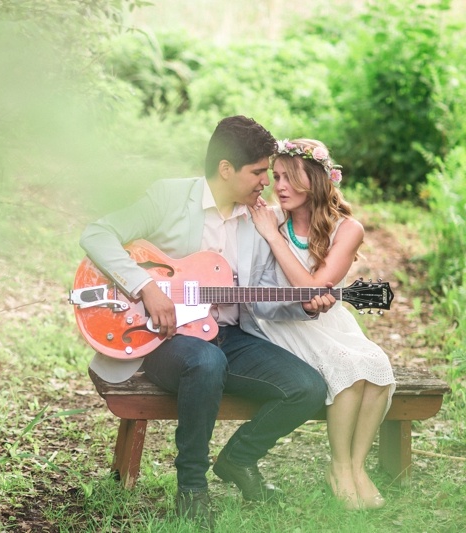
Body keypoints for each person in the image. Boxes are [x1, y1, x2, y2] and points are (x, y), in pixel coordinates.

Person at [80, 116, 334, 528]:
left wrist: (303, 306)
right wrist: (146, 287)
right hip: (163, 338)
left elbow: (262, 298)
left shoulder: (259, 219)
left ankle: (238, 459)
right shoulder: (169, 197)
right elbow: (97, 234)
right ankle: (192, 488)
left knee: (307, 387)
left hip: (230, 336)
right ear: (226, 169)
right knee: (205, 361)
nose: (266, 183)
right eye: (258, 172)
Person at [248, 138, 396, 510]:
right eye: (276, 177)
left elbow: (314, 289)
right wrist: (272, 232)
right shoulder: (269, 219)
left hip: (329, 321)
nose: (279, 186)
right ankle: (339, 467)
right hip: (280, 322)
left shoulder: (348, 229)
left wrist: (274, 238)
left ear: (314, 179)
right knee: (347, 367)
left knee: (377, 367)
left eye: (289, 177)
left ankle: (356, 468)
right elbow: (282, 294)